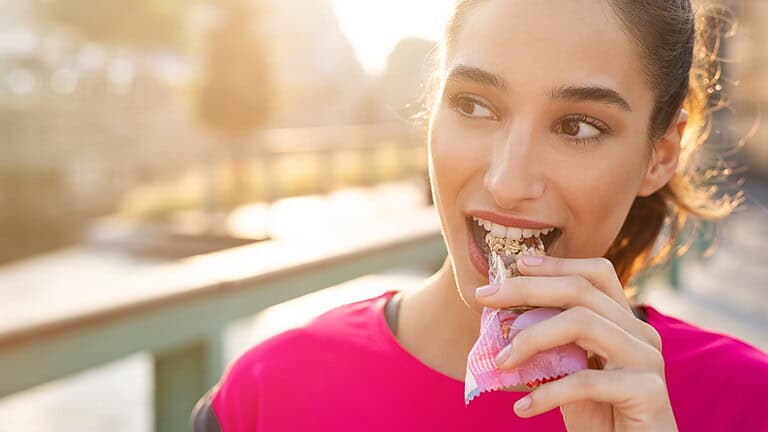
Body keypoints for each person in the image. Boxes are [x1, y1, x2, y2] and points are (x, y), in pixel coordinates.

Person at [192, 1, 768, 430]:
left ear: (660, 155)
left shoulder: (745, 404)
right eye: (474, 105)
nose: (507, 182)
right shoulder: (266, 397)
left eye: (579, 126)